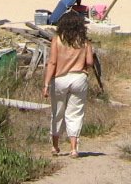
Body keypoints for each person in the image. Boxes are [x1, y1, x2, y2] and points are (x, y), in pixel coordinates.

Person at [41, 13, 94, 158]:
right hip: (79, 77)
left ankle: (55, 146)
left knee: (57, 112)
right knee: (75, 114)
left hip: (60, 78)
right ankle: (73, 148)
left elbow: (52, 62)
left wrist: (46, 84)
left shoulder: (57, 40)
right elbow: (89, 62)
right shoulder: (84, 41)